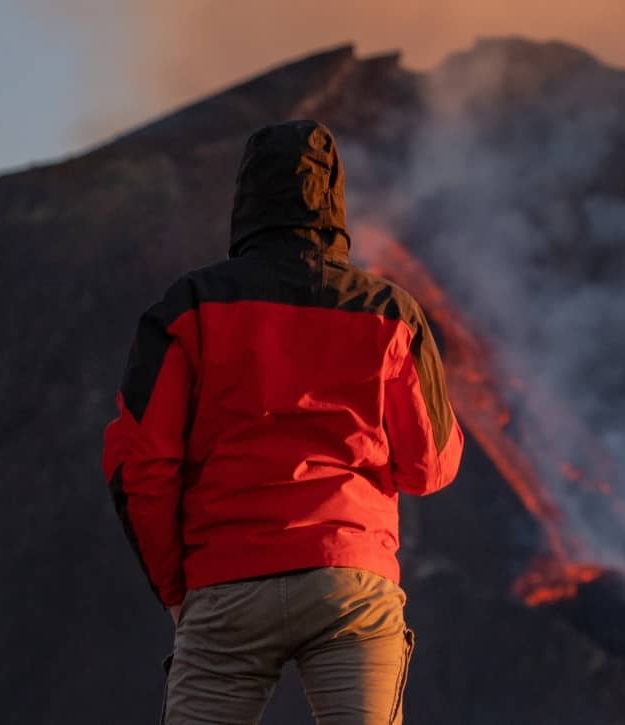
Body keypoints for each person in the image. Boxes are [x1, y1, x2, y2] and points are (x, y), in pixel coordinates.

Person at [100, 120, 463, 724]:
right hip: (348, 579)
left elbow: (140, 462)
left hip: (226, 583)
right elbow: (428, 466)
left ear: (245, 204)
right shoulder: (388, 312)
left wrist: (179, 591)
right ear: (336, 204)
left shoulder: (188, 308)